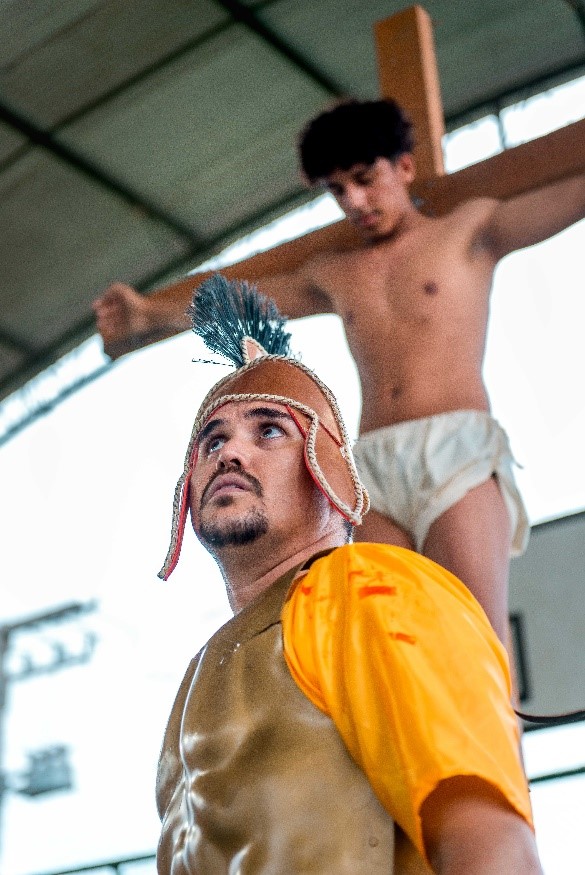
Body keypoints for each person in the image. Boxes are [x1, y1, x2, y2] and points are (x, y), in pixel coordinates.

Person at [94, 100, 585, 644]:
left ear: (404, 166)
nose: (354, 201)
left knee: (477, 633)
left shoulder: (469, 231)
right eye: (337, 190)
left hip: (456, 453)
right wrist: (147, 314)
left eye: (364, 179)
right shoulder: (335, 273)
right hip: (370, 467)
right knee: (389, 641)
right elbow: (236, 301)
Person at [155, 275, 542, 874]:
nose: (230, 452)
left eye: (269, 431)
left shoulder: (368, 589)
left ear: (330, 474)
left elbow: (490, 841)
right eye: (212, 442)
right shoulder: (197, 678)